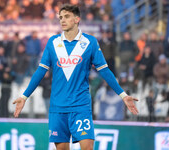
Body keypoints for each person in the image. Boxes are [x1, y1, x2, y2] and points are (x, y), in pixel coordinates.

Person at [13, 4, 138, 150]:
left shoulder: (90, 42)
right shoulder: (53, 42)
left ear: (77, 19)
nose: (62, 20)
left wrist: (123, 95)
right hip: (58, 107)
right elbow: (40, 72)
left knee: (87, 147)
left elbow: (104, 71)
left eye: (66, 16)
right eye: (60, 17)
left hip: (80, 106)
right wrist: (24, 96)